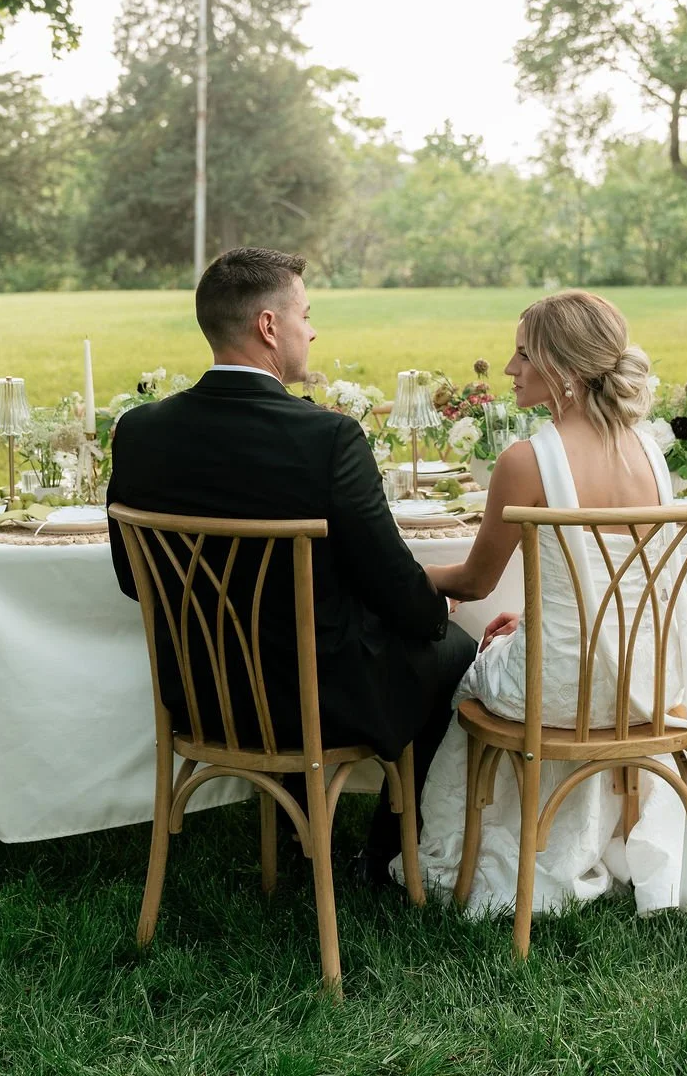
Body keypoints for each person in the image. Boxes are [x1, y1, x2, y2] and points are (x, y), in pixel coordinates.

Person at [398, 288, 687, 925]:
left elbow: (473, 584)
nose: (508, 369)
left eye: (522, 354)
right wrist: (539, 618)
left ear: (562, 370)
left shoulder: (524, 460)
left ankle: (490, 853)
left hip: (561, 691)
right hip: (645, 684)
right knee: (515, 647)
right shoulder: (651, 451)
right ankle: (612, 834)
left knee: (469, 670)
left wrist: (405, 574)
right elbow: (623, 585)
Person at [107, 247, 475, 884]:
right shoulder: (329, 438)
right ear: (269, 327)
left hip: (200, 696)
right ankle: (388, 852)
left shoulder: (137, 431)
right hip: (316, 702)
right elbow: (400, 593)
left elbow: (130, 579)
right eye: (305, 313)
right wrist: (432, 605)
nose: (312, 328)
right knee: (454, 649)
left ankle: (303, 827)